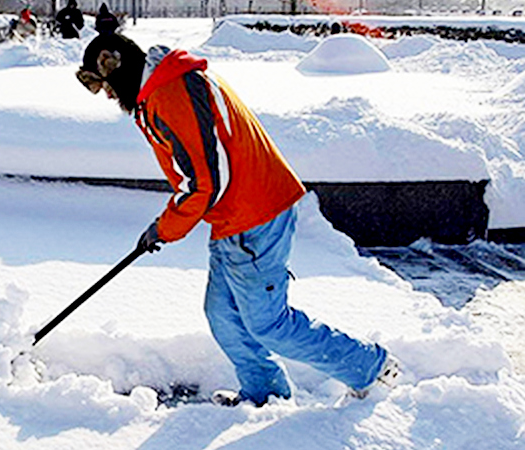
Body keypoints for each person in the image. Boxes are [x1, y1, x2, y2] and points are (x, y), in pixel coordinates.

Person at [75, 33, 400, 406]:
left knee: (269, 324)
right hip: (236, 216)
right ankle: (265, 394)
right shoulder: (166, 86)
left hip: (255, 215)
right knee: (224, 315)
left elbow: (203, 183)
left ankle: (371, 370)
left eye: (104, 85)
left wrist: (165, 229)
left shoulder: (171, 93)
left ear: (115, 64)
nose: (108, 96)